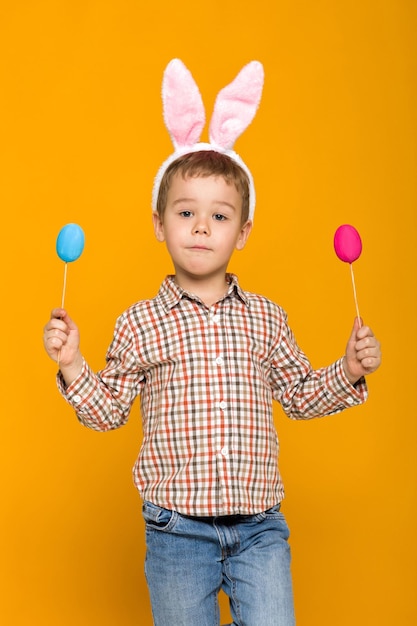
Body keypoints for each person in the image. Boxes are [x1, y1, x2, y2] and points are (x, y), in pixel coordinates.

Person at [43, 60, 381, 626]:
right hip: (177, 532)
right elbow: (106, 415)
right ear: (159, 223)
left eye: (219, 215)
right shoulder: (139, 323)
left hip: (260, 529)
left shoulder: (267, 319)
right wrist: (73, 362)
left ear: (242, 231)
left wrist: (346, 370)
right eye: (185, 212)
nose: (201, 227)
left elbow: (299, 396)